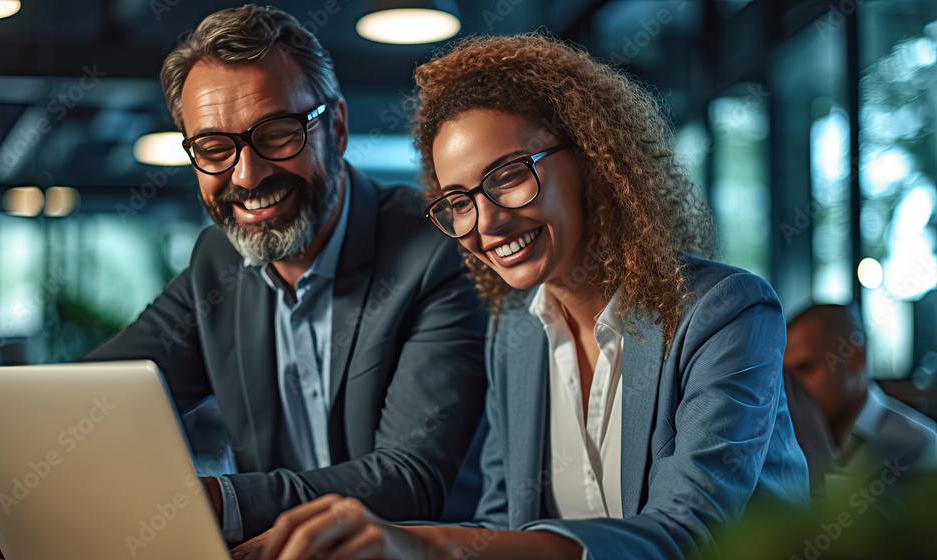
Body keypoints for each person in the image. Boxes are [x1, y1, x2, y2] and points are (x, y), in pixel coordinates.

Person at [231, 33, 810, 560]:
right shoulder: (514, 328)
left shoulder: (724, 312)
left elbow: (687, 536)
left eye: (507, 176)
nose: (486, 223)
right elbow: (500, 523)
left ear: (590, 158)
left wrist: (428, 544)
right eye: (458, 201)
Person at [85, 5, 487, 543]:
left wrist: (211, 500)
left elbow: (410, 480)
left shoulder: (436, 253)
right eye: (213, 148)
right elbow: (98, 397)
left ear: (337, 128)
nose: (247, 175)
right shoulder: (220, 259)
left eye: (277, 133)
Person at [783, 304, 937, 506]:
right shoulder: (788, 440)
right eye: (786, 377)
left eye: (805, 368)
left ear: (855, 360)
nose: (792, 389)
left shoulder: (920, 447)